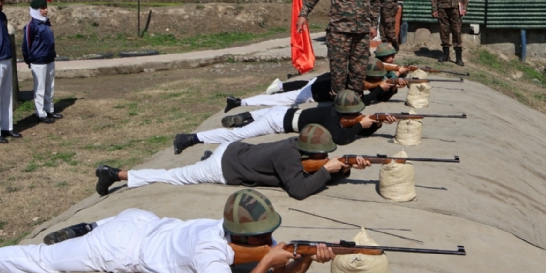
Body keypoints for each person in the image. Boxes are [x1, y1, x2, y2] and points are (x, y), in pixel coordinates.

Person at [0, 188, 336, 273]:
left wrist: (306, 259)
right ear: (239, 235)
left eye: (268, 235)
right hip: (119, 244)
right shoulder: (209, 250)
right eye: (262, 237)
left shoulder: (250, 233)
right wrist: (265, 265)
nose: (268, 241)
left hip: (144, 220)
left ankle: (91, 225)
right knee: (39, 258)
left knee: (113, 223)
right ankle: (91, 230)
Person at [96, 124, 370, 201]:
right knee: (173, 175)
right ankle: (115, 174)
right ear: (309, 153)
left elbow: (315, 171)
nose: (324, 159)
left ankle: (205, 157)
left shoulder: (295, 147)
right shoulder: (289, 156)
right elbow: (299, 190)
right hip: (223, 168)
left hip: (235, 151)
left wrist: (342, 168)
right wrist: (327, 170)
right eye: (321, 156)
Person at [173, 90, 396, 154]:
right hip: (278, 121)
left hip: (285, 112)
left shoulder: (333, 113)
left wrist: (376, 122)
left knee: (255, 118)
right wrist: (361, 124)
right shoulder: (330, 118)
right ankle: (191, 138)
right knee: (236, 136)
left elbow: (355, 128)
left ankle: (246, 116)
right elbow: (341, 139)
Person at [295, 0, 380, 97]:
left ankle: (354, 110)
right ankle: (337, 111)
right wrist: (303, 14)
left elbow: (375, 0)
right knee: (338, 76)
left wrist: (374, 24)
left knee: (358, 75)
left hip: (361, 34)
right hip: (338, 33)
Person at [224, 59, 407, 112]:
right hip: (314, 92)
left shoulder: (357, 69)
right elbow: (363, 101)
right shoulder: (356, 86)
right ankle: (241, 103)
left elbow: (379, 68)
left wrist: (395, 77)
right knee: (280, 100)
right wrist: (380, 89)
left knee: (297, 85)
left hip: (321, 79)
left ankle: (278, 86)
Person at [22, 0, 62, 124]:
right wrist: (29, 59)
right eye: (42, 8)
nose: (46, 10)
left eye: (46, 7)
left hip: (49, 58)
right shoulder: (31, 26)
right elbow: (26, 44)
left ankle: (49, 109)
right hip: (38, 61)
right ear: (36, 10)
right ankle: (40, 112)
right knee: (40, 88)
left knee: (50, 85)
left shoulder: (46, 23)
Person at [0, 0, 21, 143]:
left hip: (6, 58)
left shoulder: (2, 16)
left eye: (1, 0)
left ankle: (6, 126)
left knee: (6, 94)